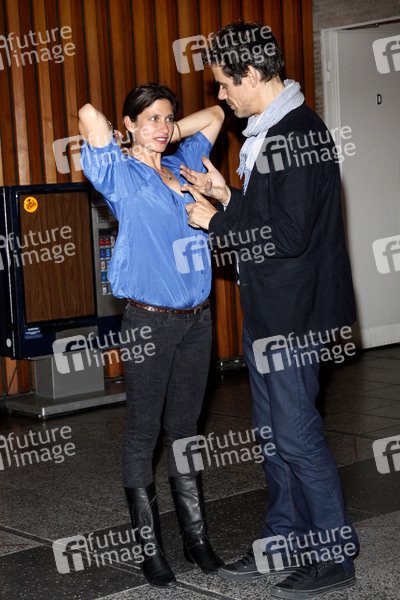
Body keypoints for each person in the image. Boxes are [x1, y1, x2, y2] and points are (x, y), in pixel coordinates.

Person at [179, 22, 359, 599]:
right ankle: (285, 540)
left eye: (224, 84)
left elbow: (288, 235)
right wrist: (228, 197)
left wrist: (216, 222)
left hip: (293, 318)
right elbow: (274, 215)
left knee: (296, 436)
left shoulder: (295, 133)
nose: (220, 95)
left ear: (251, 74)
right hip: (271, 312)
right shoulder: (272, 130)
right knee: (274, 437)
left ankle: (334, 553)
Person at [78, 83, 225, 588]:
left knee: (185, 431)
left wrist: (169, 133)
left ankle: (196, 539)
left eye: (167, 117)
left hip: (197, 320)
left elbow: (215, 116)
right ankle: (149, 549)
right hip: (149, 322)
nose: (162, 127)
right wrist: (133, 140)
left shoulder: (183, 166)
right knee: (144, 433)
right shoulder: (119, 173)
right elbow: (87, 113)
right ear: (129, 124)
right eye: (151, 118)